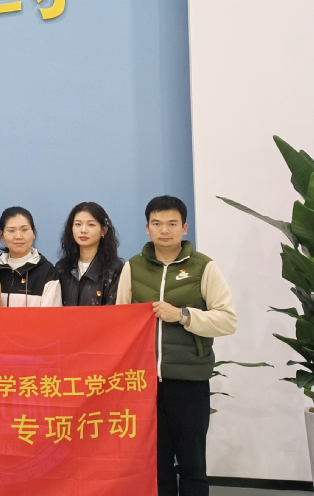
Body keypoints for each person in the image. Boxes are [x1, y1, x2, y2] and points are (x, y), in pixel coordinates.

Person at [116, 196, 237, 496]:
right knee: (156, 464)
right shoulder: (133, 267)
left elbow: (227, 320)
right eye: (156, 223)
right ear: (147, 228)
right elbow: (119, 321)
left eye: (172, 223)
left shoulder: (203, 267)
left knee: (192, 464)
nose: (164, 230)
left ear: (184, 227)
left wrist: (183, 315)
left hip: (189, 380)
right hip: (145, 383)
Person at [0, 206, 60, 307]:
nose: (18, 236)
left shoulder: (48, 272)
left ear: (34, 233)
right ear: (1, 235)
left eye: (24, 230)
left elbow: (51, 315)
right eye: (11, 230)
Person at [55, 202, 123, 306]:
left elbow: (115, 312)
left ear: (103, 231)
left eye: (91, 225)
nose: (83, 230)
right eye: (78, 224)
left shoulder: (114, 269)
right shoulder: (62, 268)